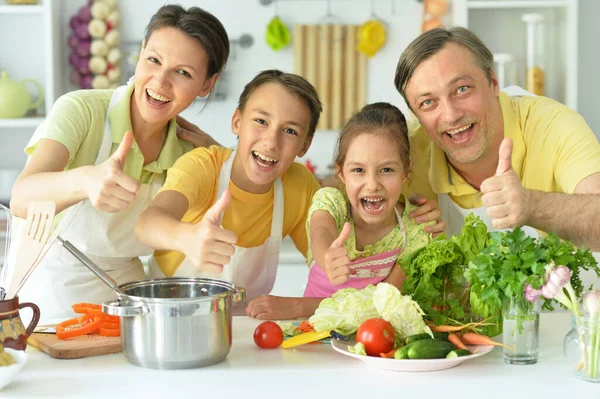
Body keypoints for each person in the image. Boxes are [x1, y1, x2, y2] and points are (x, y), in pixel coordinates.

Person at [9, 4, 230, 319]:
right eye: (153, 60)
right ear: (140, 53)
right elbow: (21, 198)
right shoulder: (82, 111)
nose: (161, 81)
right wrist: (85, 180)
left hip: (126, 305)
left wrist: (220, 156)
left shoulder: (188, 154)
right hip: (43, 301)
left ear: (207, 85)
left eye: (183, 72)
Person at [394, 27, 600, 250]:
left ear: (493, 81)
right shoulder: (405, 157)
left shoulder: (554, 124)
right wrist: (402, 225)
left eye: (462, 89)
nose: (451, 115)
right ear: (417, 116)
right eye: (427, 103)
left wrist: (532, 205)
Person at [135, 69, 323, 307]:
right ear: (237, 122)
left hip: (245, 329)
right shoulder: (203, 166)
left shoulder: (300, 186)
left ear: (304, 145)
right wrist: (186, 238)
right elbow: (147, 224)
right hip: (172, 318)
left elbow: (325, 264)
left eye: (290, 131)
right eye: (261, 121)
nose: (271, 142)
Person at [246, 103, 434, 320]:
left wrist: (298, 307)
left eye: (386, 170)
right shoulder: (332, 203)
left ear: (406, 171)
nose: (372, 184)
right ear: (341, 173)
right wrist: (327, 257)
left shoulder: (415, 228)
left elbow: (380, 303)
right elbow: (321, 232)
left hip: (371, 342)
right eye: (358, 170)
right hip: (313, 332)